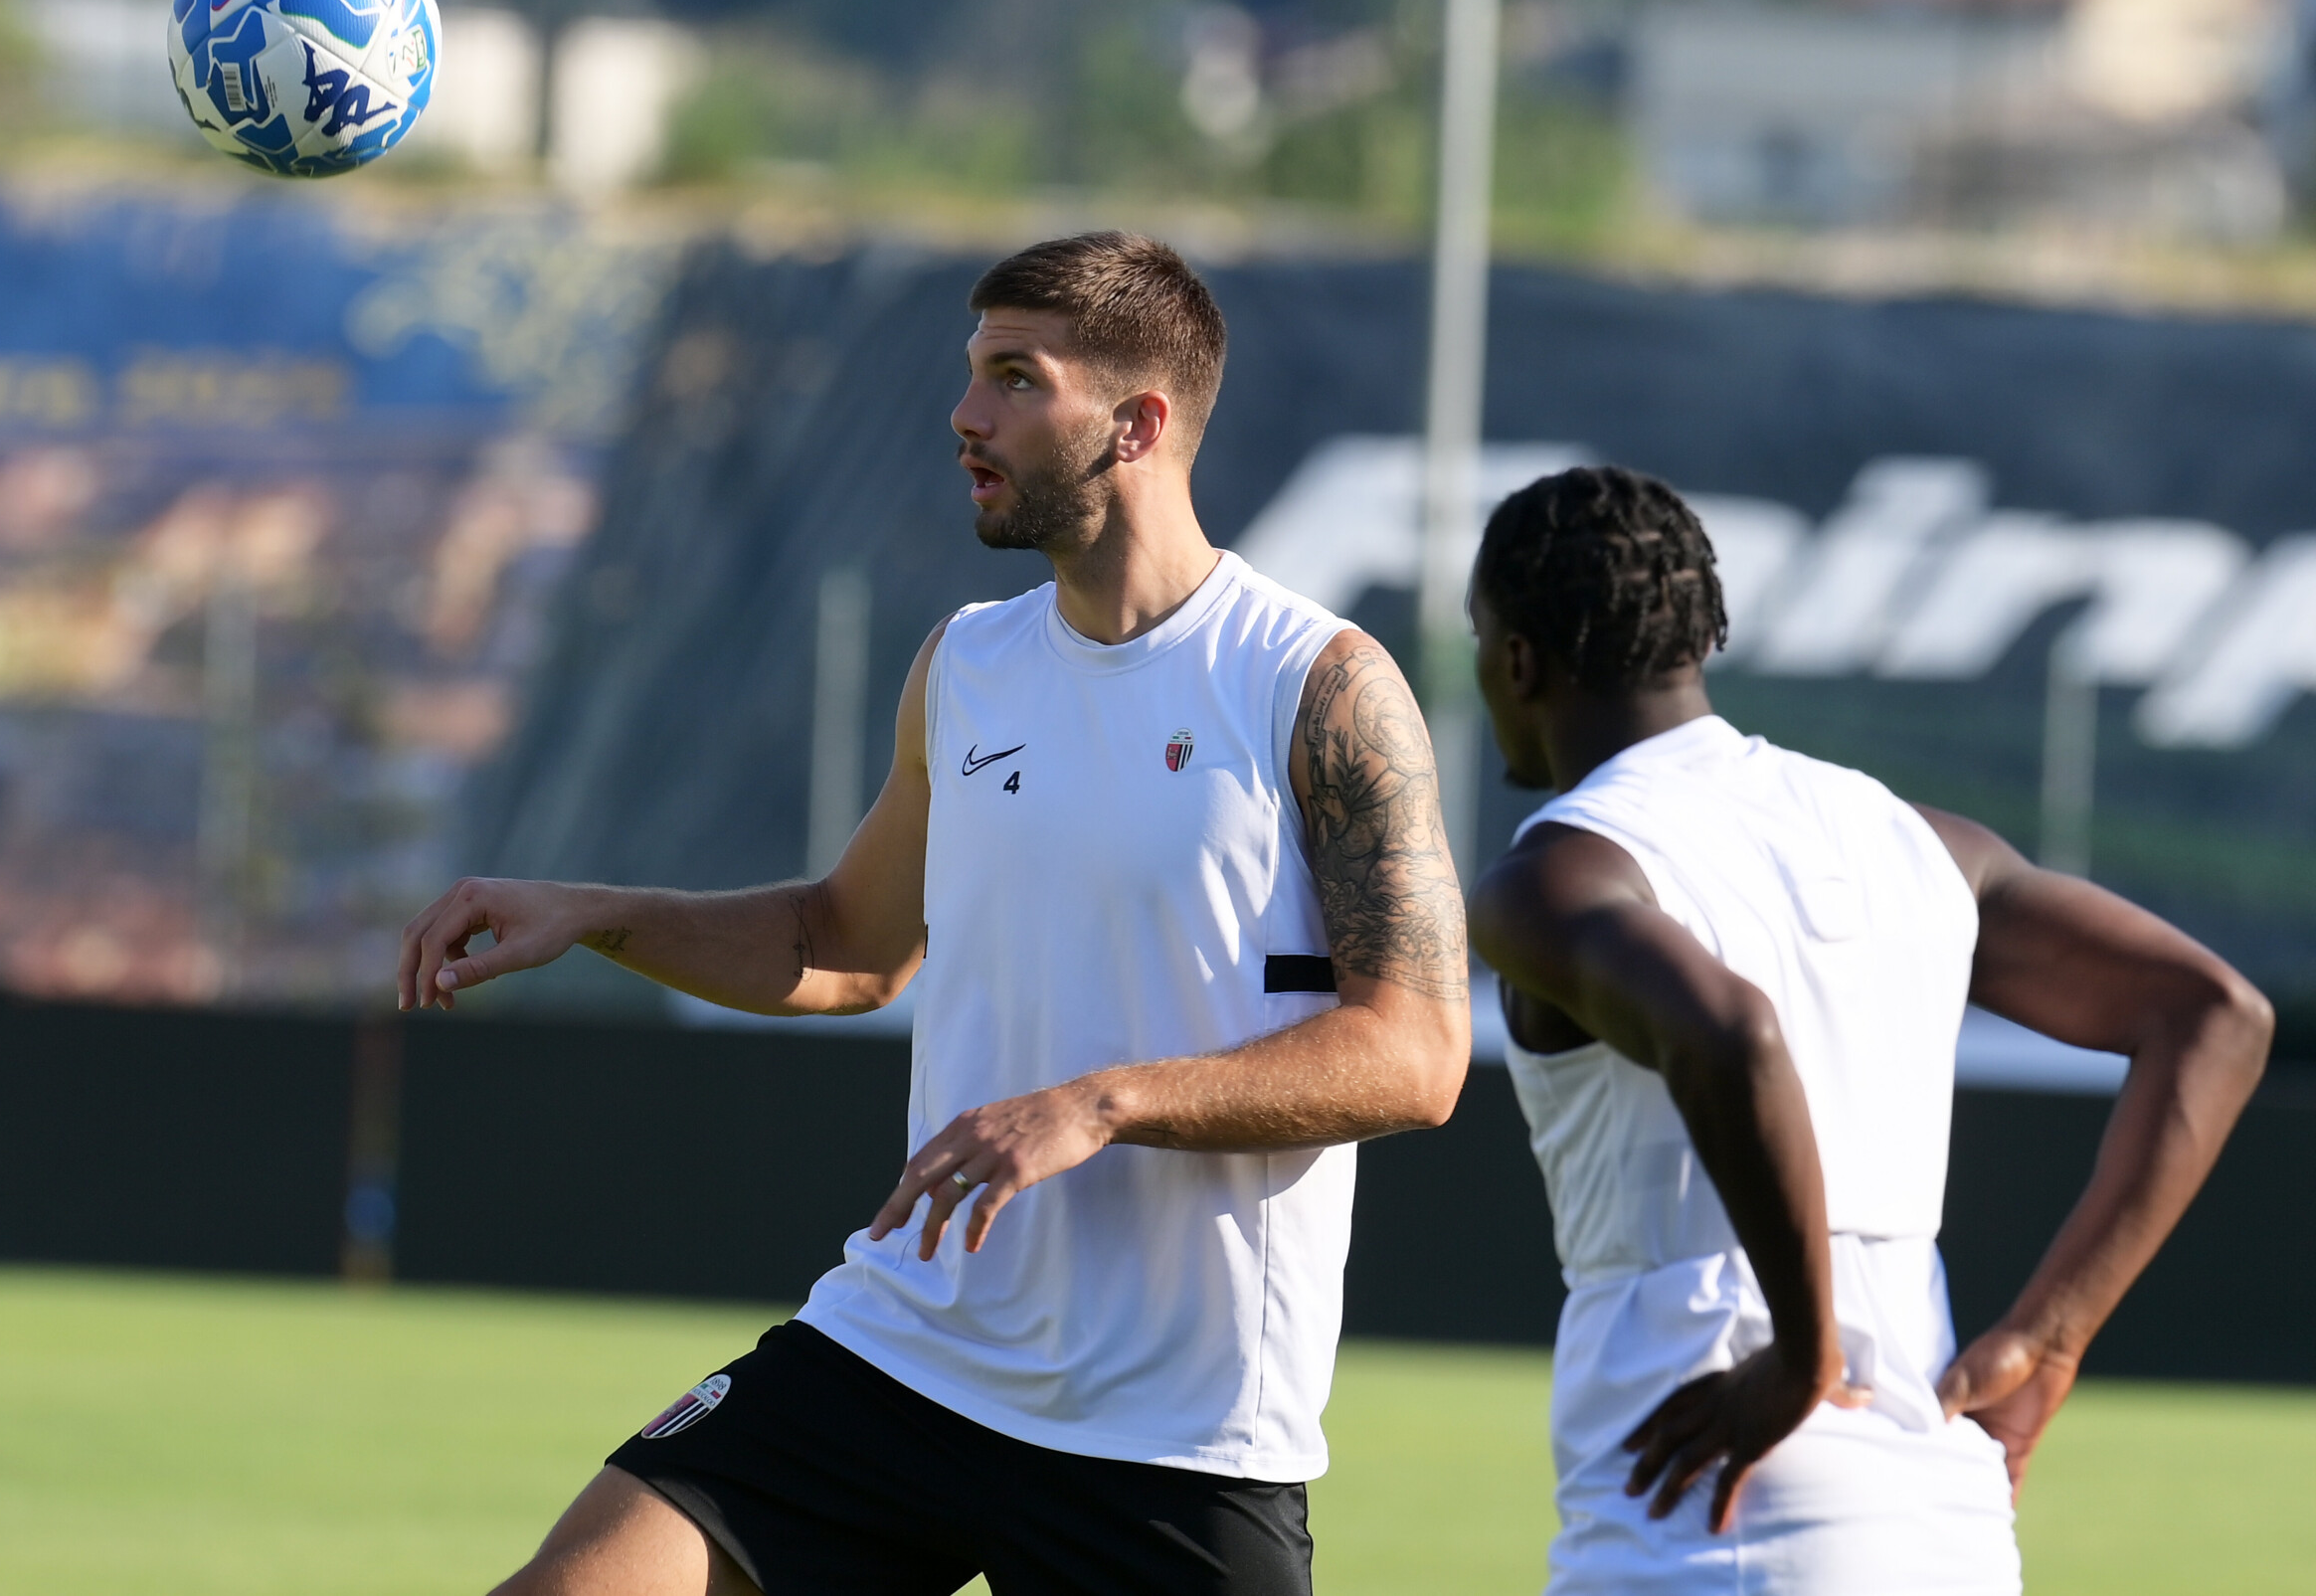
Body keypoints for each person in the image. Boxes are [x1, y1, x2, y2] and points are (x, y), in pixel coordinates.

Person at [398, 232, 1475, 1596]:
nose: (967, 415)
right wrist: (596, 911)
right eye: (973, 373)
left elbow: (1419, 1052)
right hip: (903, 1352)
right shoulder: (966, 664)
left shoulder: (1314, 683)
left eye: (1017, 379)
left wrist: (1099, 1101)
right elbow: (841, 947)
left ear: (1138, 424)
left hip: (1175, 1435)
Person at [1465, 464, 2272, 1594]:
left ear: (1513, 660)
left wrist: (1802, 1359)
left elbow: (1732, 1037)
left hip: (1713, 1491)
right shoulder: (1910, 838)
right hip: (1940, 1510)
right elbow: (2216, 1016)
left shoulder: (1553, 875)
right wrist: (2052, 1335)